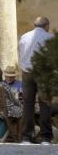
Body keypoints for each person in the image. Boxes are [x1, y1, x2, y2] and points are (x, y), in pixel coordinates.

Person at [18, 16, 53, 145]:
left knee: (28, 104)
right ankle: (45, 138)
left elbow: (20, 54)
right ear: (46, 26)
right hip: (43, 72)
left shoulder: (24, 37)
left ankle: (26, 137)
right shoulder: (49, 37)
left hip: (27, 72)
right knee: (44, 104)